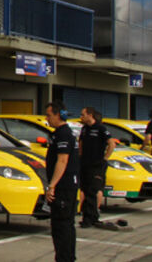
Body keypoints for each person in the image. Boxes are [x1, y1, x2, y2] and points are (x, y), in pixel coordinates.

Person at [44, 101, 79, 262]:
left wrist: (52, 186)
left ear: (59, 115)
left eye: (49, 115)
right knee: (66, 225)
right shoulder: (60, 133)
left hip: (63, 187)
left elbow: (62, 161)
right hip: (67, 185)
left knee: (61, 226)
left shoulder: (63, 134)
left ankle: (64, 258)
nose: (47, 119)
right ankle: (67, 258)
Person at [78, 106, 115, 228]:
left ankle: (90, 218)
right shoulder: (84, 129)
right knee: (85, 189)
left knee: (92, 191)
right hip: (85, 163)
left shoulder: (100, 128)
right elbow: (81, 143)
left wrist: (105, 158)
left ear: (90, 115)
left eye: (83, 114)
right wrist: (80, 156)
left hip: (96, 164)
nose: (81, 117)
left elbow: (111, 144)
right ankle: (88, 216)